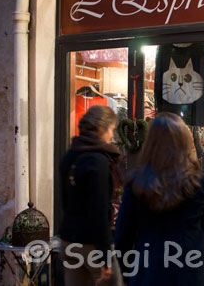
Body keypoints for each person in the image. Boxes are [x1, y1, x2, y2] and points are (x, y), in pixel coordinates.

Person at [114, 112, 204, 286]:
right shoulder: (201, 182)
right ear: (184, 143)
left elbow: (123, 237)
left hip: (149, 270)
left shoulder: (137, 183)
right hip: (191, 269)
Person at [59, 105, 123, 286]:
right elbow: (99, 211)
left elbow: (65, 202)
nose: (112, 136)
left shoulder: (70, 156)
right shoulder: (98, 161)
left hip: (69, 241)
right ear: (101, 128)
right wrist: (106, 257)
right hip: (92, 245)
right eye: (111, 129)